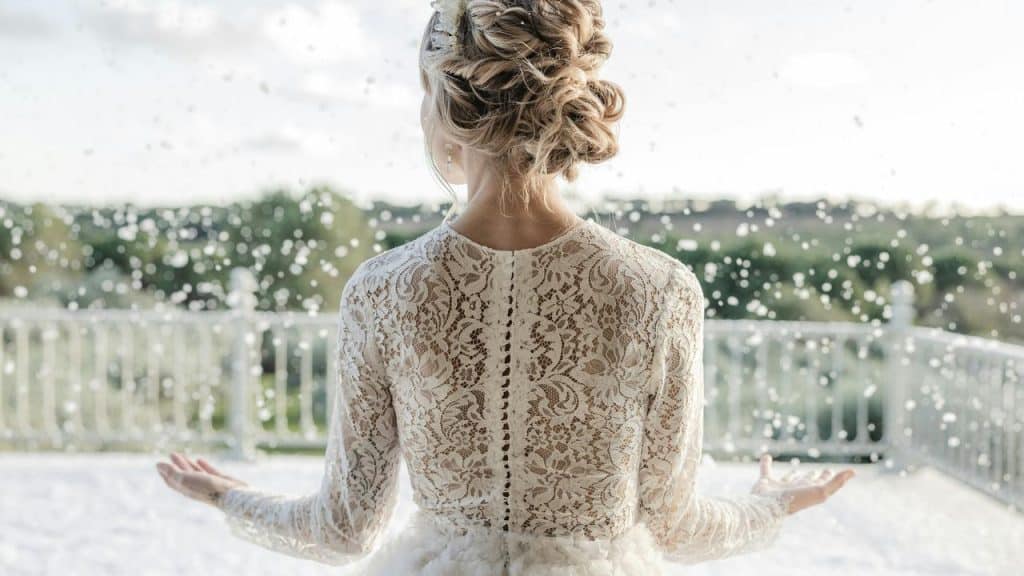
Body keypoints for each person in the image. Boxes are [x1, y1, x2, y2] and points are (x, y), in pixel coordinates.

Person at [155, 1, 855, 573]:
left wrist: (225, 495)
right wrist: (771, 503)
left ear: (447, 109)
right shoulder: (659, 290)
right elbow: (675, 528)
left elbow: (341, 532)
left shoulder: (383, 290)